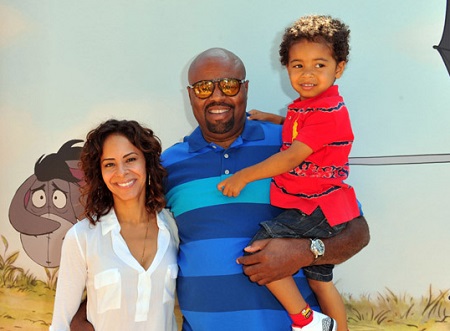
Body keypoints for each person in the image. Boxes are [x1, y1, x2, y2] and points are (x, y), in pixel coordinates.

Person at [70, 48, 370, 331]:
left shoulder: (289, 147)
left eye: (228, 85)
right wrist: (87, 309)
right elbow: (131, 236)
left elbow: (357, 231)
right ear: (190, 96)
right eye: (203, 88)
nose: (216, 96)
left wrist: (305, 252)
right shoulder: (167, 165)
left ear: (245, 88)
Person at [217, 15, 358, 331]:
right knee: (320, 281)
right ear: (287, 67)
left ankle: (305, 321)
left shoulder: (327, 113)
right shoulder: (307, 106)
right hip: (325, 206)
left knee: (264, 252)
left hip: (315, 206)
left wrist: (244, 176)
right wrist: (274, 119)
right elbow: (301, 131)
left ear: (339, 68)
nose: (307, 74)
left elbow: (293, 156)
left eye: (319, 65)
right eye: (298, 66)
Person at [50, 119, 179, 331]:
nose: (121, 172)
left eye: (130, 159)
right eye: (109, 164)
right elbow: (61, 324)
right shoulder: (82, 237)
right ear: (99, 173)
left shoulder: (173, 228)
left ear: (146, 162)